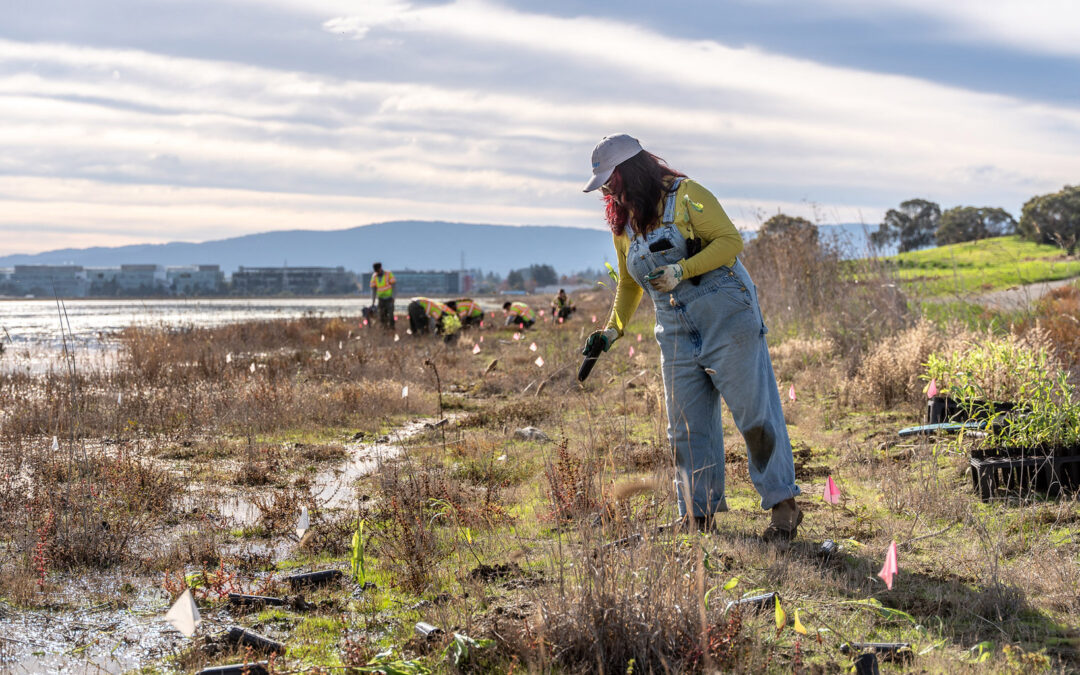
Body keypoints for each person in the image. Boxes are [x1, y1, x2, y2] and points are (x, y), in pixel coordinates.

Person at [580, 133, 802, 541]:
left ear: (633, 170)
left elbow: (729, 243)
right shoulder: (623, 224)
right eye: (604, 184)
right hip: (675, 329)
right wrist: (612, 331)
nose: (609, 189)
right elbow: (630, 284)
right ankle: (698, 515)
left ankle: (783, 508)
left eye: (613, 179)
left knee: (754, 414)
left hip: (726, 316)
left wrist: (681, 271)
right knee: (686, 426)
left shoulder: (688, 195)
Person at [369, 263, 396, 328]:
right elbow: (373, 290)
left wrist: (393, 297)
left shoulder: (388, 274)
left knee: (391, 315)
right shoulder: (374, 276)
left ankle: (392, 329)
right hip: (381, 299)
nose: (377, 272)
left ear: (380, 268)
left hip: (389, 298)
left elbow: (394, 286)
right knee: (382, 316)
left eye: (378, 270)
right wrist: (373, 302)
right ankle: (384, 330)